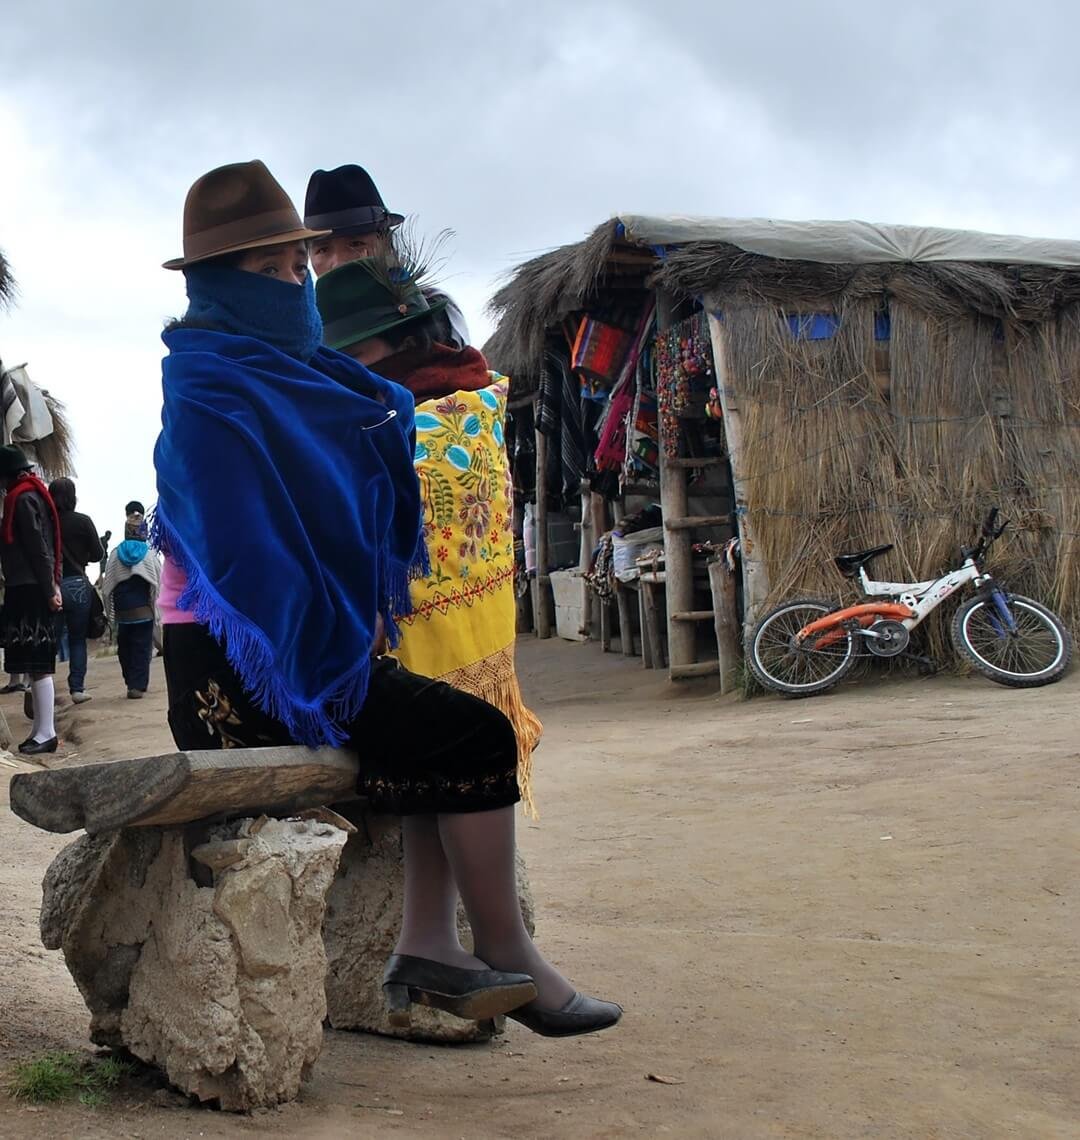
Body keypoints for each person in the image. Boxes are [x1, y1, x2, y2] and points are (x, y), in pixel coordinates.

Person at [155, 160, 618, 1037]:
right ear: (218, 285)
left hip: (294, 647)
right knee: (468, 732)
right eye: (274, 272)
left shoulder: (305, 379)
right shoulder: (209, 387)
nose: (298, 284)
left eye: (298, 268)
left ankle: (429, 946)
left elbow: (340, 503)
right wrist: (335, 638)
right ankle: (498, 950)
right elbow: (248, 557)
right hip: (235, 668)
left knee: (438, 727)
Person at [315, 256, 543, 813]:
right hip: (445, 674)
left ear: (405, 340)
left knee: (465, 863)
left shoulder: (436, 422)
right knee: (429, 862)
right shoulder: (455, 404)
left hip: (434, 674)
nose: (344, 371)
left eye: (356, 355)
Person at [304, 164, 471, 349]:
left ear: (386, 245)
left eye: (356, 244)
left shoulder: (434, 309)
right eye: (323, 250)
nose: (338, 262)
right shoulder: (302, 330)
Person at [0, 445, 62, 753]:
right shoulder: (33, 494)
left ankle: (47, 731)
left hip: (29, 588)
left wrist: (50, 590)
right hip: (34, 585)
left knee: (37, 661)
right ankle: (41, 729)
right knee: (35, 659)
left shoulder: (20, 499)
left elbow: (38, 548)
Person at [48, 477, 103, 703]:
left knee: (50, 639)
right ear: (73, 497)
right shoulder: (83, 521)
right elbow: (98, 553)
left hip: (52, 585)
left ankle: (44, 690)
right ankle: (77, 689)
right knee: (77, 639)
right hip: (78, 584)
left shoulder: (45, 523)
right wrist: (84, 558)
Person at [102, 509, 160, 699]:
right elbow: (158, 582)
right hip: (144, 612)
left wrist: (109, 612)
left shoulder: (115, 553)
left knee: (125, 649)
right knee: (142, 650)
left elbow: (107, 585)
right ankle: (138, 685)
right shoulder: (149, 554)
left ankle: (130, 681)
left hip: (123, 612)